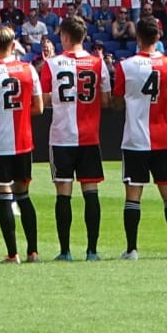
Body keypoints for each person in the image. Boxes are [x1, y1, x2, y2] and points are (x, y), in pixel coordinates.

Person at [112, 17, 167, 260]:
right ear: (158, 38)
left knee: (133, 195)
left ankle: (132, 249)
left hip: (135, 139)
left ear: (138, 38)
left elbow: (116, 101)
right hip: (163, 138)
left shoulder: (125, 66)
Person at [40, 15, 112, 260]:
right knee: (90, 192)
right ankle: (92, 250)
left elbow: (46, 100)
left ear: (66, 37)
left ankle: (65, 251)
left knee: (63, 193)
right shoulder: (97, 63)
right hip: (89, 136)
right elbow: (105, 100)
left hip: (61, 137)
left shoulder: (52, 64)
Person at [0, 26, 44, 262]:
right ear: (13, 45)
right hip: (23, 142)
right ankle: (33, 251)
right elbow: (39, 107)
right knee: (24, 196)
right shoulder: (28, 70)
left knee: (4, 196)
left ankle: (12, 253)